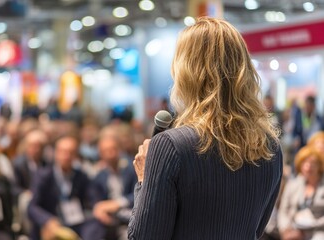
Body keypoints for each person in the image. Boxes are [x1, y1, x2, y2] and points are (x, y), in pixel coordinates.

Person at [128, 17, 282, 239]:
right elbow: (256, 230)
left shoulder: (171, 146)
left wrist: (144, 179)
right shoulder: (270, 147)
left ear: (186, 72)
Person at [28, 135, 90, 240]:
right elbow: (32, 207)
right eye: (63, 152)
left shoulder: (81, 177)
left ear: (76, 156)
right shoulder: (43, 176)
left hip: (75, 225)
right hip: (51, 226)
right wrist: (47, 220)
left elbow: (89, 203)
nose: (67, 156)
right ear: (56, 153)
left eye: (71, 153)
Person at [89, 136, 137, 240]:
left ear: (119, 150)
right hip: (111, 219)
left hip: (132, 214)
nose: (110, 154)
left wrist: (117, 203)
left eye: (113, 149)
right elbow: (95, 200)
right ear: (100, 154)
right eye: (106, 151)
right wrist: (98, 209)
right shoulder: (99, 176)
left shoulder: (132, 167)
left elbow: (140, 192)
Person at [277, 146, 324, 240]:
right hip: (294, 229)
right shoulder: (293, 185)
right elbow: (283, 210)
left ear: (319, 166)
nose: (309, 166)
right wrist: (285, 229)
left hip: (318, 230)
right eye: (305, 163)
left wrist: (313, 224)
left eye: (313, 163)